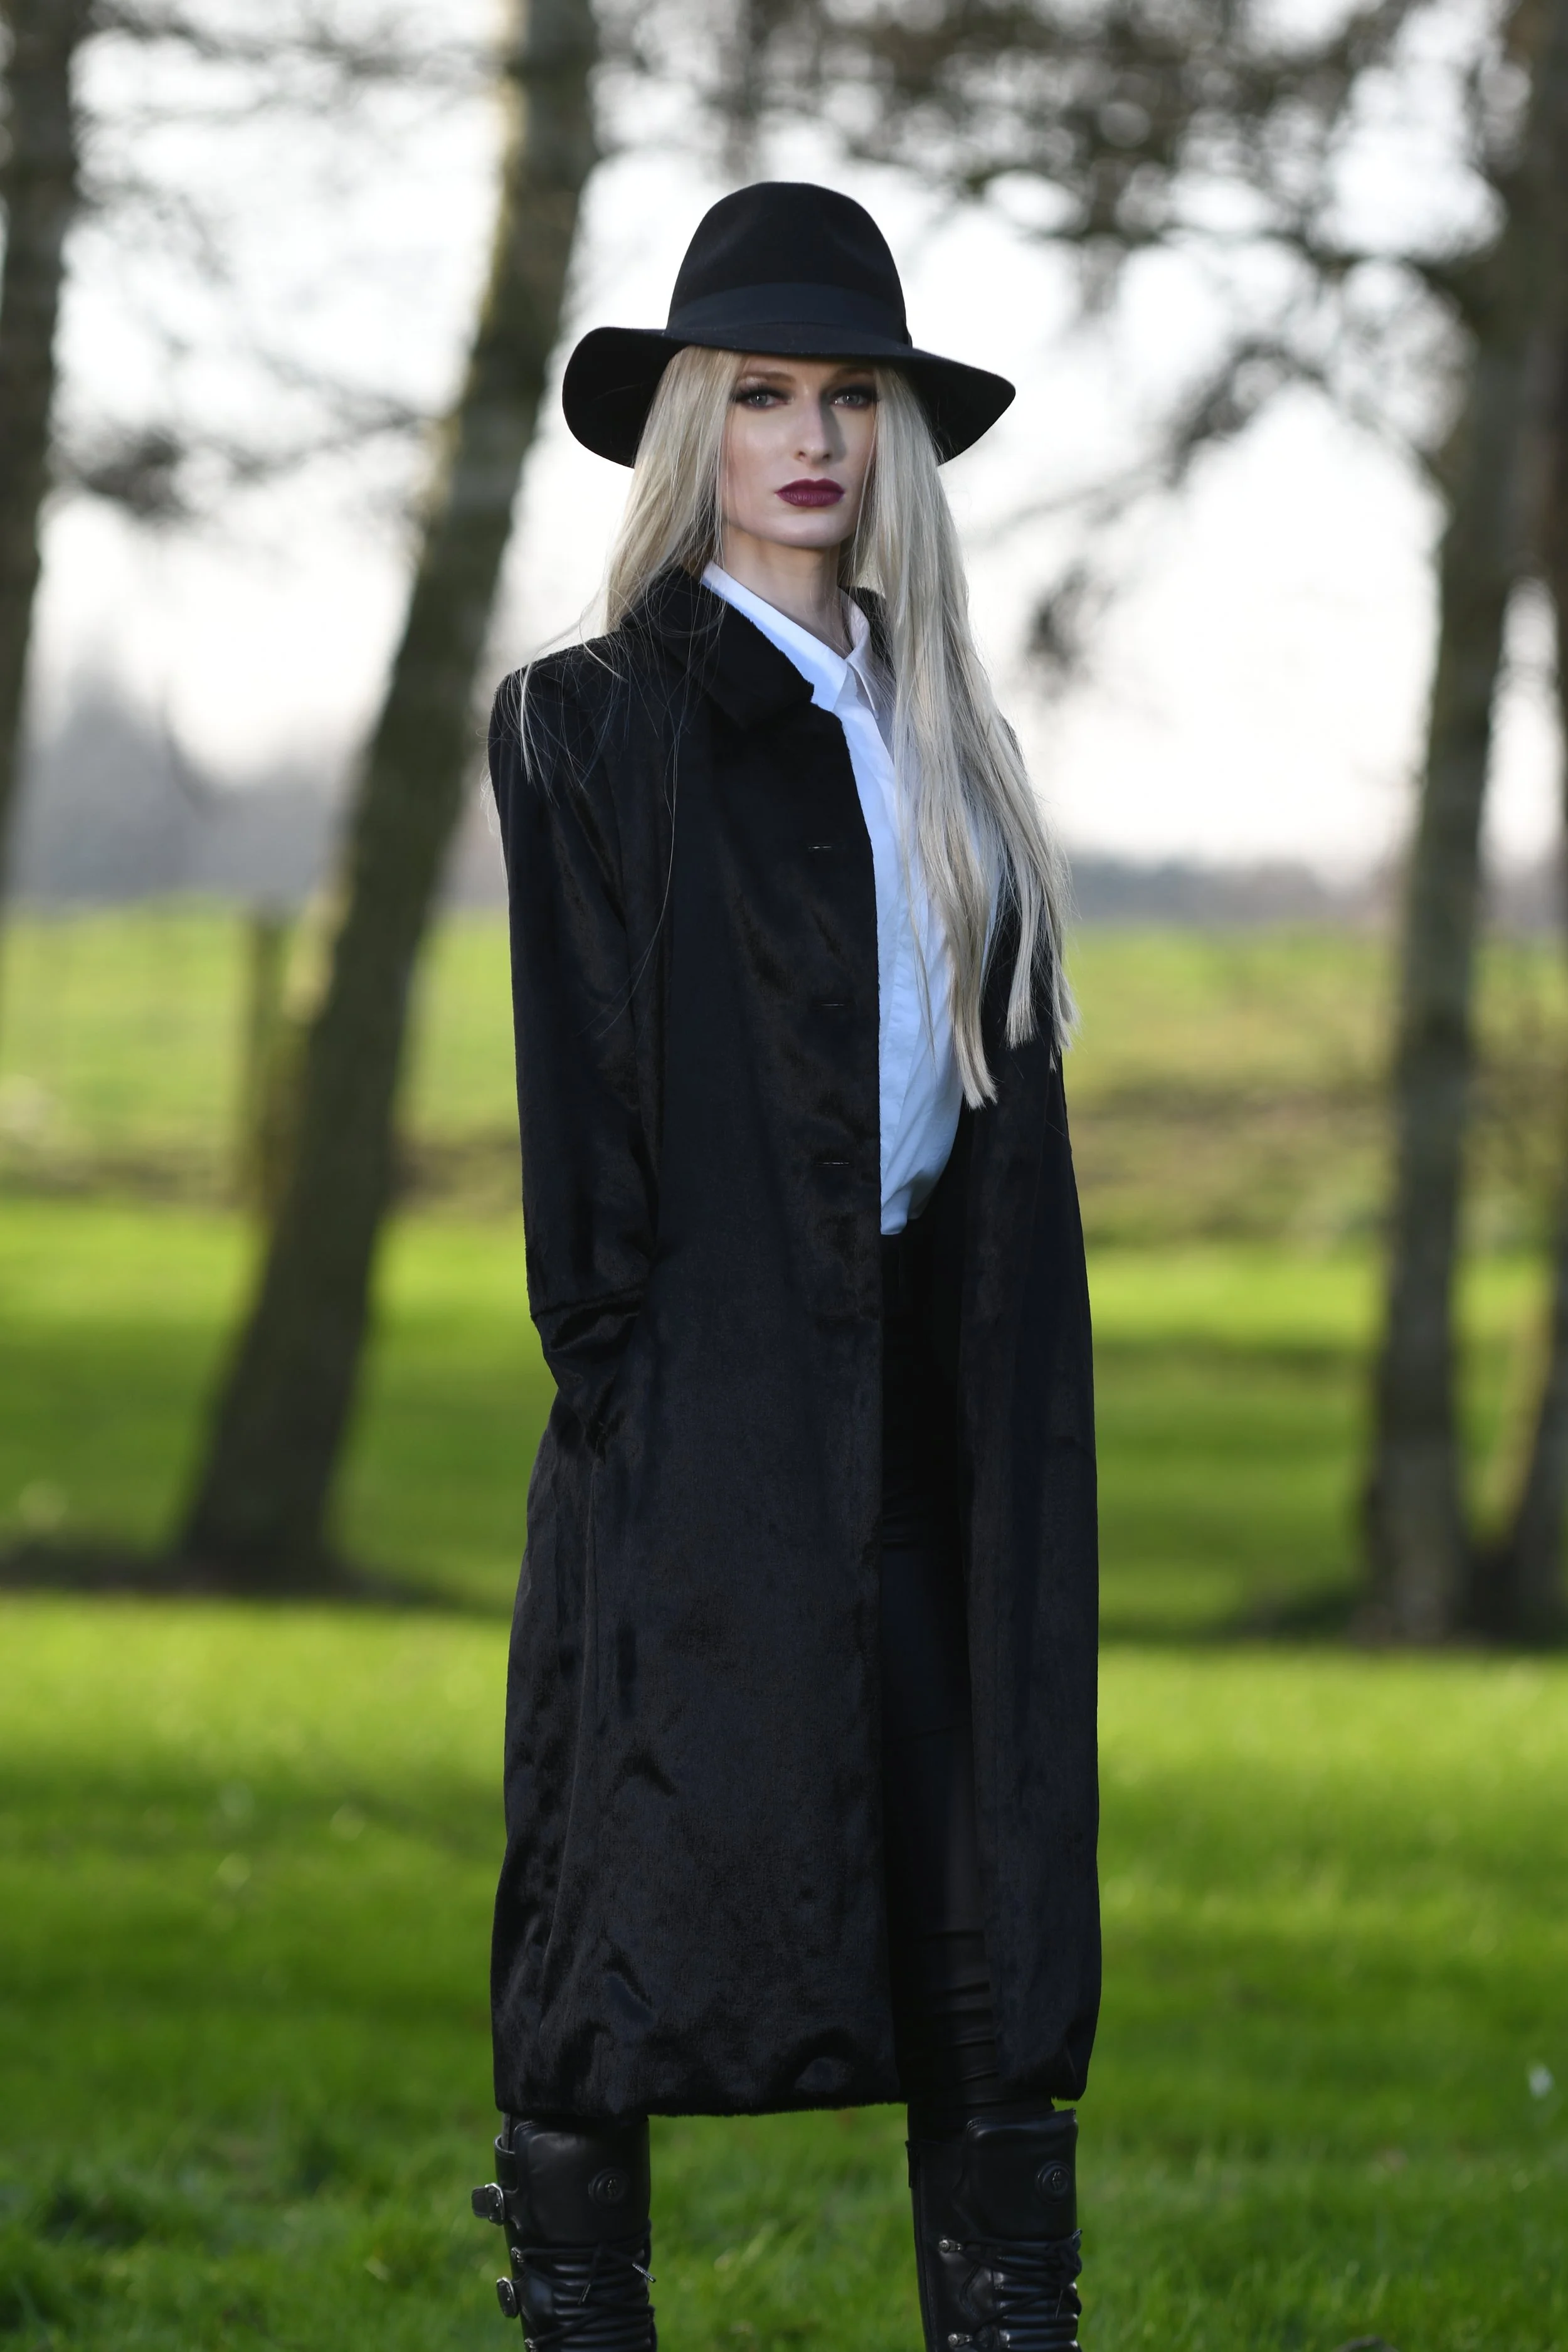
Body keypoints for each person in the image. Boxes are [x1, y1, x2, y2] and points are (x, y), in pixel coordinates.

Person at [470, 181, 1099, 2352]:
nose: (809, 439)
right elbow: (582, 1135)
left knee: (982, 1883)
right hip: (696, 1414)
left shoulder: (955, 745)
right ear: (694, 428)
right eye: (760, 395)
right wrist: (630, 1398)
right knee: (615, 1883)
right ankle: (578, 2307)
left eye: (847, 398)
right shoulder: (588, 726)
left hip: (939, 1408)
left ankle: (1010, 2320)